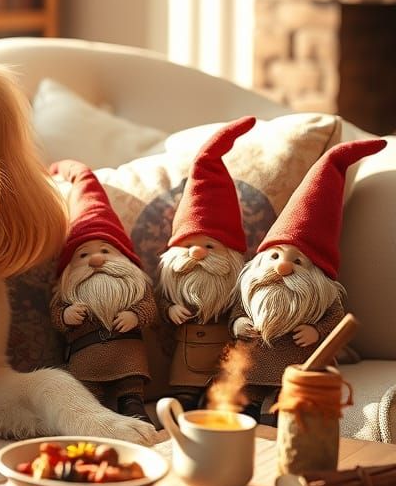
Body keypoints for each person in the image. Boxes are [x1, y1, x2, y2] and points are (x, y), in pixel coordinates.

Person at [223, 138, 386, 423]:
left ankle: (276, 421)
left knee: (287, 407)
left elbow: (335, 320)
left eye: (297, 261)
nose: (283, 266)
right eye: (274, 257)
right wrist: (238, 324)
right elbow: (237, 312)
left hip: (298, 365)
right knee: (244, 400)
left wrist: (316, 331)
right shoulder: (253, 291)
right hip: (255, 365)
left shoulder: (323, 299)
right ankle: (248, 414)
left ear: (315, 271)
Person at [157, 117, 255, 409]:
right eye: (188, 245)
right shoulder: (170, 287)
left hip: (224, 362)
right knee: (182, 402)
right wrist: (170, 308)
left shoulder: (235, 285)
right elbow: (158, 303)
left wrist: (239, 322)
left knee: (223, 404)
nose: (197, 253)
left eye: (209, 246)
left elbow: (242, 307)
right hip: (184, 365)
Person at [50, 161, 155, 423]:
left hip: (128, 358)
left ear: (124, 258)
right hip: (86, 361)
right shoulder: (69, 292)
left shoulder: (135, 288)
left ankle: (133, 407)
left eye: (106, 251)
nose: (96, 260)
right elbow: (56, 315)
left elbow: (148, 307)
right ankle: (93, 418)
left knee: (130, 388)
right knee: (84, 396)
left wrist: (135, 315)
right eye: (83, 255)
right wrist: (65, 316)